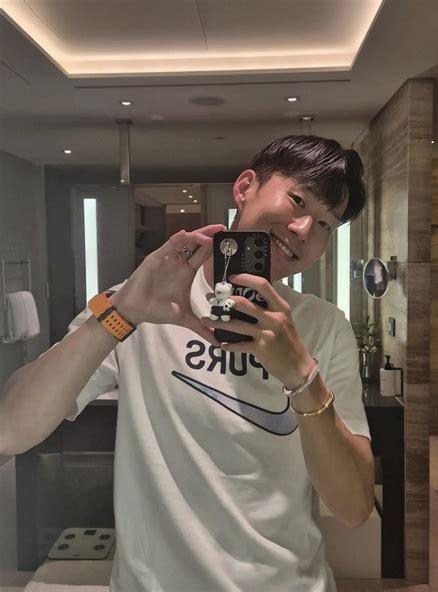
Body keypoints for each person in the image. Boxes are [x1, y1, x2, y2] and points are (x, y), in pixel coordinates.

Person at [0, 135, 374, 592]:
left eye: (326, 224)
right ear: (246, 187)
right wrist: (121, 314)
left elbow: (353, 507)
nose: (303, 229)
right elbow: (10, 430)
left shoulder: (324, 326)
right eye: (298, 200)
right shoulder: (135, 304)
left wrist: (301, 375)